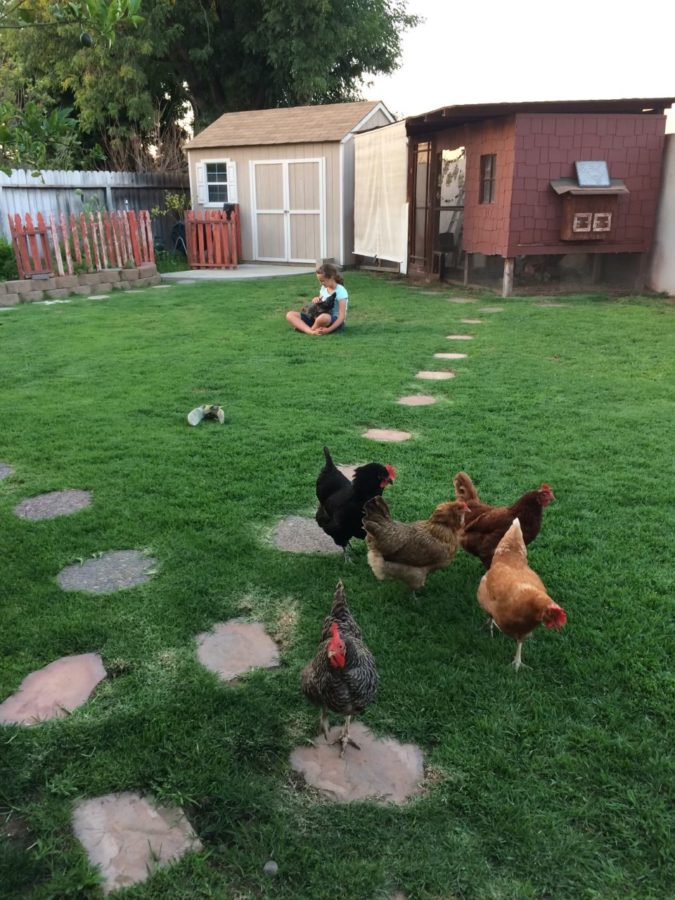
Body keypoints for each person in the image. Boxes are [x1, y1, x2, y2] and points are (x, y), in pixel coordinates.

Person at [285, 263, 348, 335]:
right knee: (290, 315)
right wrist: (316, 299)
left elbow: (342, 316)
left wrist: (328, 330)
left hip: (333, 320)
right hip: (318, 317)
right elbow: (320, 303)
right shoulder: (324, 288)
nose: (321, 283)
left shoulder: (341, 291)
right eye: (320, 281)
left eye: (322, 281)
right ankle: (312, 330)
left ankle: (310, 329)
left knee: (324, 318)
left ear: (331, 277)